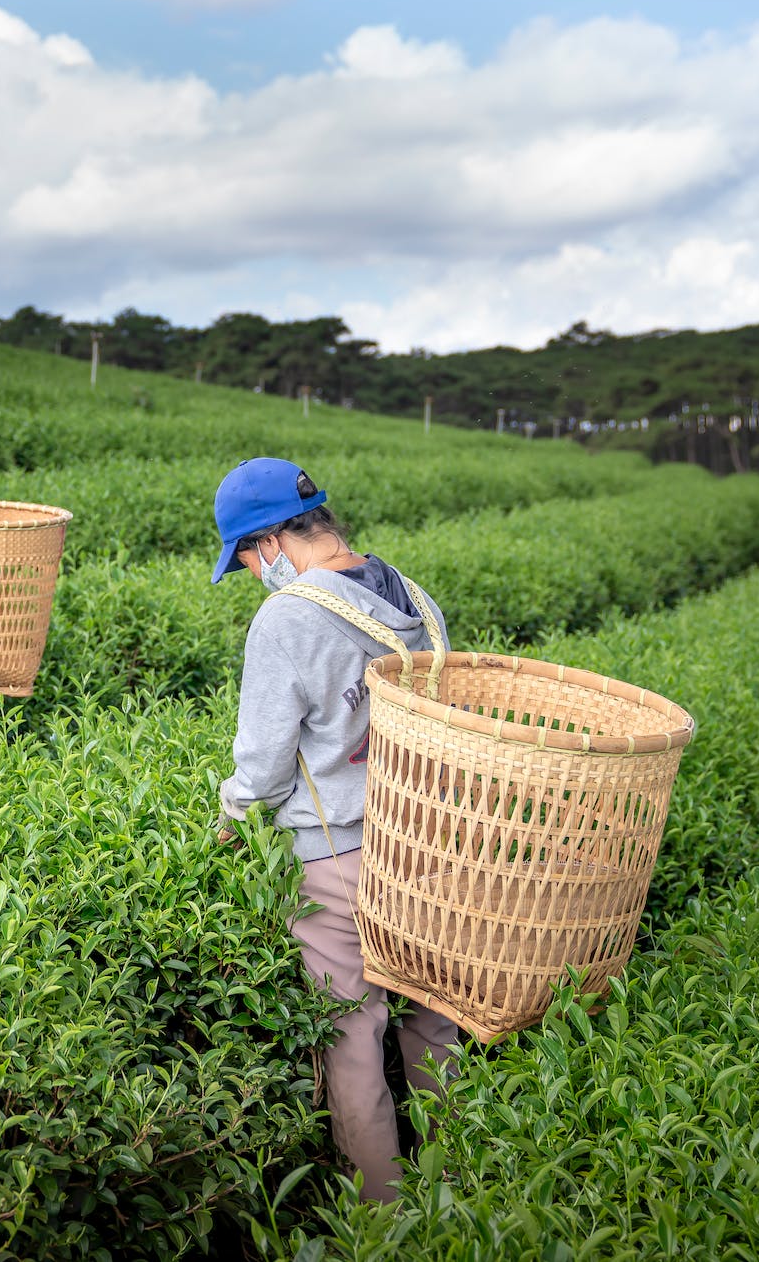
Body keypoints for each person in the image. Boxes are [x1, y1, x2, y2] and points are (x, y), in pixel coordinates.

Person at [209, 456, 457, 1205]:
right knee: (433, 1027)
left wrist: (227, 820)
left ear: (272, 541)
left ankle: (381, 1221)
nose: (253, 571)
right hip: (425, 843)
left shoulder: (286, 616)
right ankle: (458, 1188)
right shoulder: (414, 597)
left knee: (351, 1042)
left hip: (336, 856)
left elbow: (261, 764)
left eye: (248, 557)